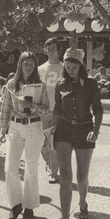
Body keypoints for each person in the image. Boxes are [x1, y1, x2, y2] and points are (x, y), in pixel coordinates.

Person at [52, 47, 103, 219]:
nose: (71, 70)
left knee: (82, 177)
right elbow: (57, 109)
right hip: (64, 130)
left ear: (80, 66)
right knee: (65, 177)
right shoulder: (60, 84)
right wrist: (50, 131)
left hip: (84, 129)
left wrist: (95, 131)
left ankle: (82, 203)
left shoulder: (90, 84)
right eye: (67, 66)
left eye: (74, 67)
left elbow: (98, 109)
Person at [0, 51, 49, 219]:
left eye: (31, 64)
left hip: (33, 126)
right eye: (25, 63)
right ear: (20, 65)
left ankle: (29, 206)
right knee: (10, 167)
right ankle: (15, 204)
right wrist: (3, 129)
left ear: (35, 66)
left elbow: (46, 110)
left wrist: (31, 105)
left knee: (31, 168)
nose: (28, 66)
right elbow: (5, 106)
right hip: (15, 127)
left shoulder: (40, 85)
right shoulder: (11, 84)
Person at [38, 38, 64, 184]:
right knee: (42, 144)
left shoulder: (64, 68)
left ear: (59, 50)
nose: (51, 50)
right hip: (41, 112)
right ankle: (50, 165)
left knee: (53, 143)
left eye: (53, 48)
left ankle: (53, 171)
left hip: (57, 112)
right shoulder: (40, 69)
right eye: (48, 47)